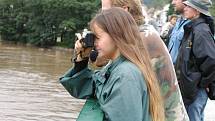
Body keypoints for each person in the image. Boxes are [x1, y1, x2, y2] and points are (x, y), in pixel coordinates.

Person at [60, 7, 165, 121]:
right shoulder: (117, 67)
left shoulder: (125, 75)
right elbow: (89, 87)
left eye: (98, 37)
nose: (94, 44)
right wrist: (82, 58)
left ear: (116, 36)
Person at [100, 0, 189, 121]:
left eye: (105, 11)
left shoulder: (141, 40)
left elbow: (106, 80)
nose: (102, 17)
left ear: (124, 10)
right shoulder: (142, 33)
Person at [175, 0, 215, 121]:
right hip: (192, 89)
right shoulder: (193, 28)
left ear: (197, 10)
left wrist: (202, 83)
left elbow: (211, 61)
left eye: (188, 6)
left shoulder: (200, 31)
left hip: (195, 91)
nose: (185, 8)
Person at [168, 0, 190, 64]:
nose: (172, 3)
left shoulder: (193, 24)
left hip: (181, 72)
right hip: (172, 70)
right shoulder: (178, 22)